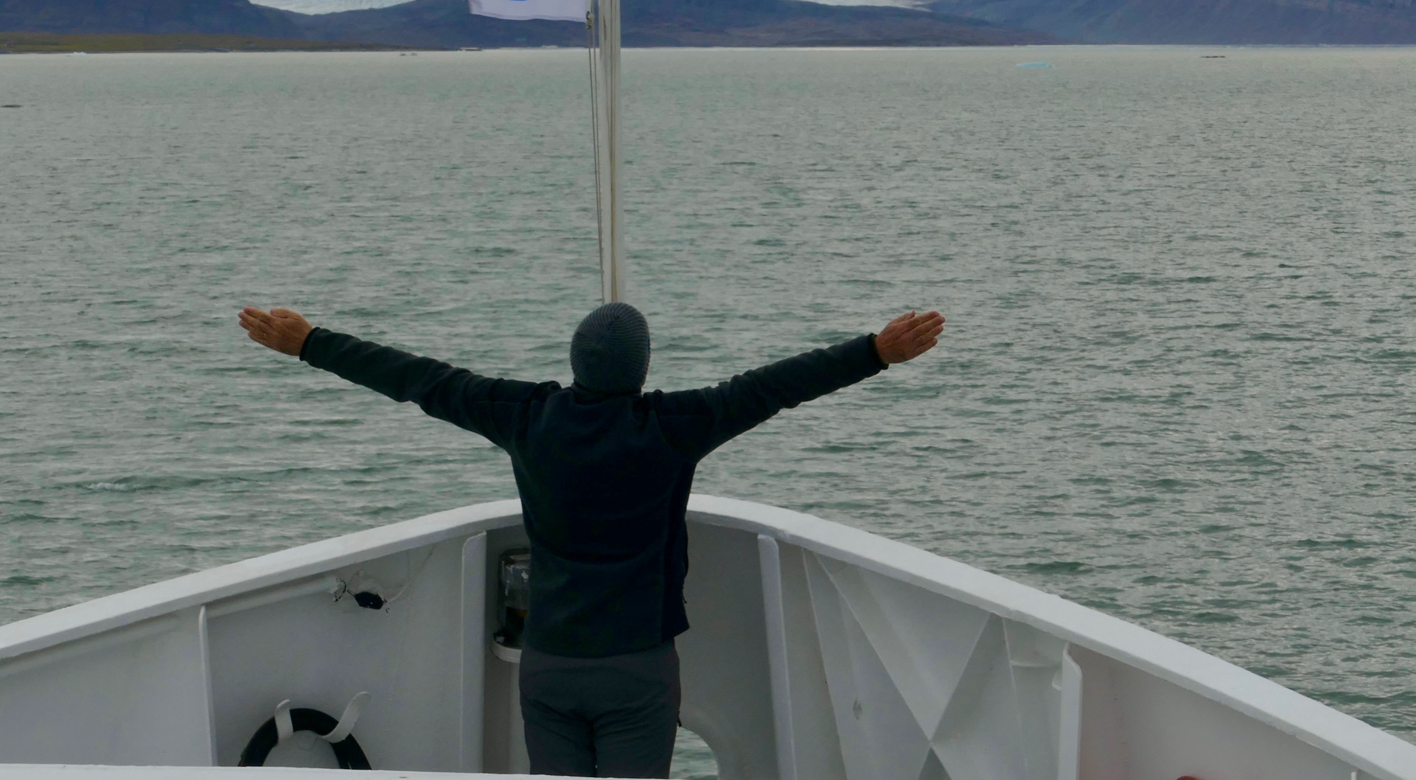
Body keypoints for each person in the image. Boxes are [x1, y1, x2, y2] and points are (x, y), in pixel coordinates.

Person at [237, 301, 945, 778]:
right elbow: (773, 386)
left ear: (576, 360)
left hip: (548, 666)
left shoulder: (526, 416)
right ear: (641, 368)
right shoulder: (673, 425)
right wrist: (876, 351)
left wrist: (307, 341)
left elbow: (417, 379)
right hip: (635, 671)